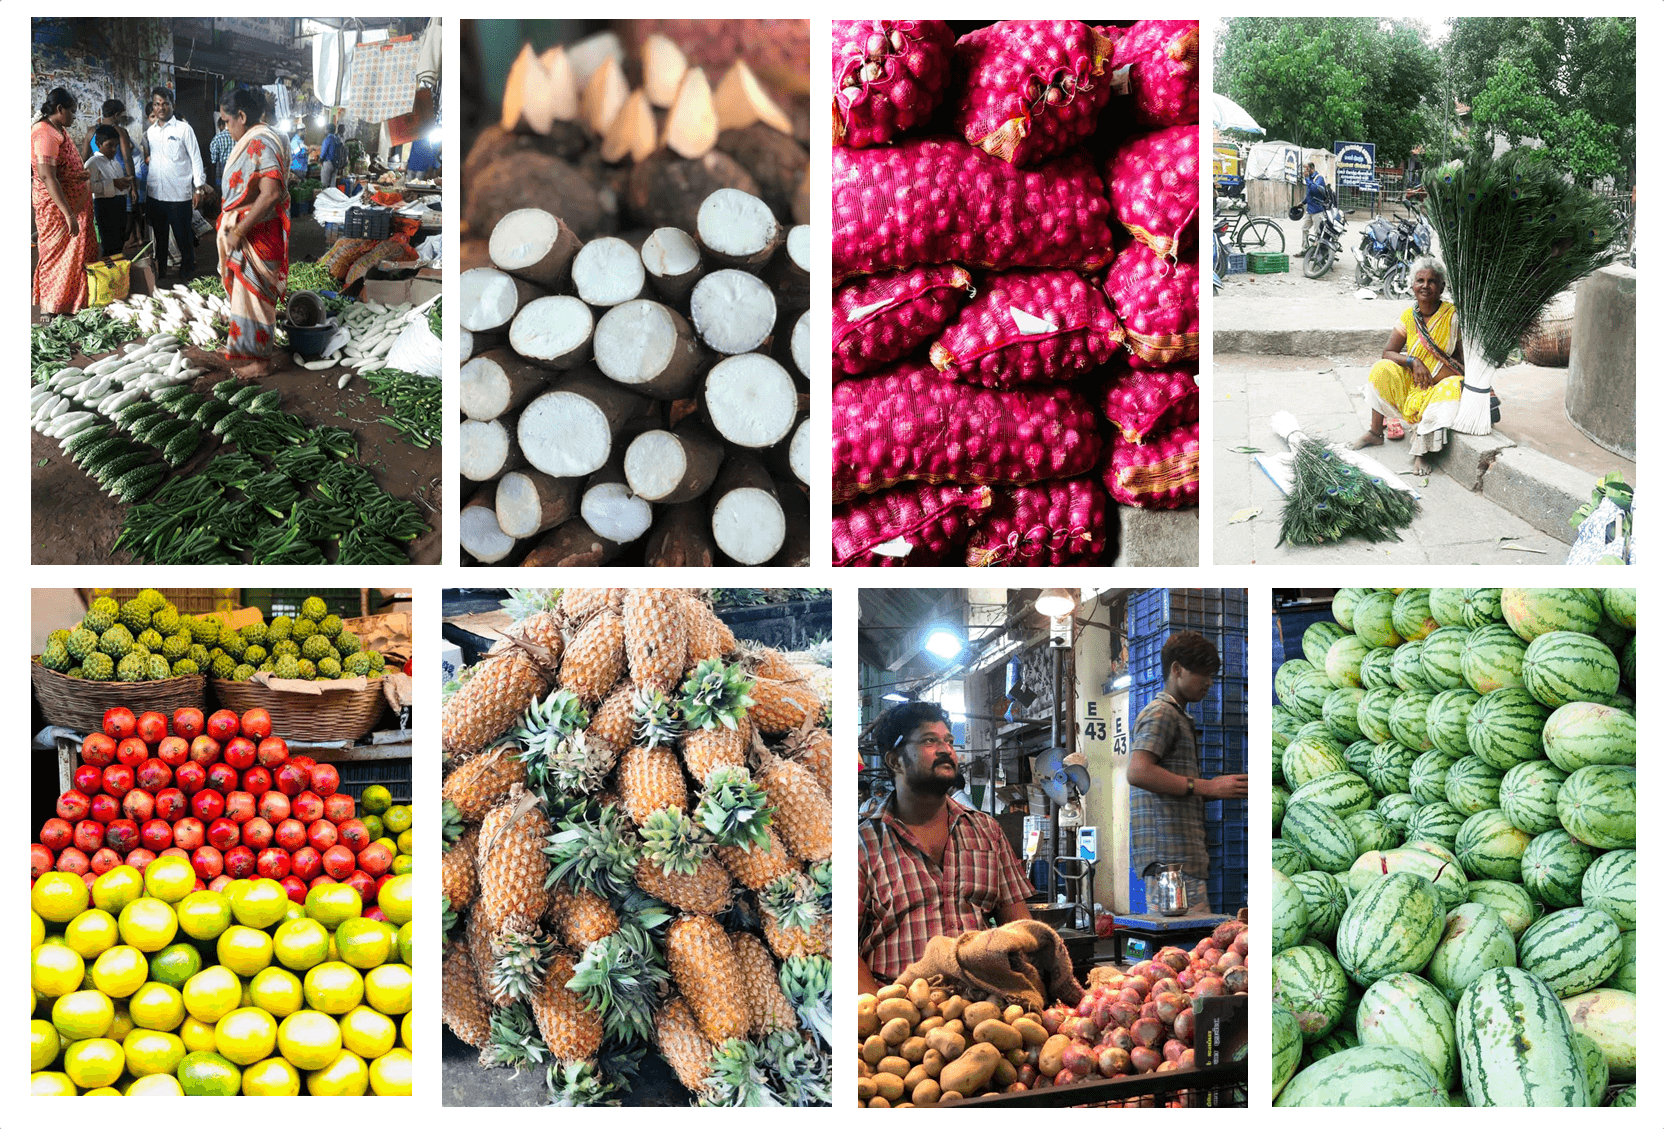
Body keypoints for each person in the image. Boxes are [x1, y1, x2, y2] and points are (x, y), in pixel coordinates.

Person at [858, 701, 1034, 994]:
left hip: (983, 1004)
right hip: (899, 1005)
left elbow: (1019, 926)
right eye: (929, 741)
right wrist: (872, 1010)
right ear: (895, 761)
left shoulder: (986, 831)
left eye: (949, 741)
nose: (946, 750)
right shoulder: (863, 844)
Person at [1125, 632, 1249, 917]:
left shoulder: (1177, 716)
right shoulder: (1162, 713)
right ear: (1177, 669)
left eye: (1211, 675)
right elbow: (1139, 771)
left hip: (1179, 859)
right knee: (1184, 940)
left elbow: (1171, 785)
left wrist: (1217, 789)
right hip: (1170, 863)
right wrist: (1208, 787)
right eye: (1202, 674)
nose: (1208, 683)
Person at [1352, 256, 1466, 475]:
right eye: (1420, 280)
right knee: (1381, 368)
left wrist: (1441, 375)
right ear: (1412, 285)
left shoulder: (1453, 317)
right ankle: (1375, 432)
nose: (1425, 286)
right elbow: (1388, 352)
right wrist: (1413, 361)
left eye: (1432, 281)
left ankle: (1422, 452)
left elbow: (1463, 360)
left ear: (1442, 287)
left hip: (1439, 386)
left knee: (1453, 386)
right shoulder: (1409, 316)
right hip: (1415, 382)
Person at [216, 88, 290, 378]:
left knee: (257, 299)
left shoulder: (261, 142)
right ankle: (253, 354)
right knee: (248, 296)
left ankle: (261, 363)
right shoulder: (260, 138)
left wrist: (239, 229)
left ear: (242, 116)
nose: (226, 127)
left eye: (227, 121)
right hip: (254, 232)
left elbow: (270, 194)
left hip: (258, 235)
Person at [32, 88, 97, 318]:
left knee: (74, 256)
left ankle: (72, 301)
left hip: (73, 203)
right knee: (54, 255)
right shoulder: (44, 133)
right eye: (72, 111)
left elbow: (61, 169)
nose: (74, 117)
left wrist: (77, 176)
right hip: (57, 209)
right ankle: (49, 308)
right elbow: (47, 175)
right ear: (59, 109)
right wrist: (69, 215)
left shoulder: (57, 129)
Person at [144, 87, 206, 280]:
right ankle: (161, 269)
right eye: (157, 104)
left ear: (173, 105)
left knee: (183, 235)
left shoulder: (184, 129)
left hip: (179, 194)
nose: (161, 108)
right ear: (153, 106)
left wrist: (198, 188)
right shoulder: (151, 132)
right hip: (156, 194)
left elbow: (196, 158)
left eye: (165, 104)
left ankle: (187, 269)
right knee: (160, 236)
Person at [87, 125, 134, 256]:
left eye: (116, 146)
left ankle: (118, 266)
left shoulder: (115, 163)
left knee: (119, 241)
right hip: (105, 206)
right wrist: (113, 183)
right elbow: (89, 187)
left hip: (119, 204)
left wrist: (125, 183)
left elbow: (118, 184)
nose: (114, 149)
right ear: (98, 144)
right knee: (108, 243)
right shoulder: (93, 163)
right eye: (109, 145)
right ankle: (109, 267)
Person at [1294, 161, 1329, 256]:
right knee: (1304, 229)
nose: (1304, 171)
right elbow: (1309, 194)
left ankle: (1318, 253)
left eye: (1306, 169)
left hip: (1318, 210)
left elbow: (1314, 190)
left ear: (1312, 169)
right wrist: (1303, 202)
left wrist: (1306, 179)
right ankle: (1305, 250)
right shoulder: (1309, 179)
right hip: (1309, 210)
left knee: (1318, 232)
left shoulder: (1319, 178)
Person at [208, 112, 235, 192]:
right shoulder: (236, 136)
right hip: (235, 166)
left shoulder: (217, 138)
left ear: (221, 126)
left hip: (222, 169)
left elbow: (214, 159)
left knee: (222, 192)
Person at [319, 122, 346, 190]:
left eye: (325, 129)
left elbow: (324, 151)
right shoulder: (338, 139)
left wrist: (320, 159)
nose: (324, 131)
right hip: (336, 164)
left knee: (324, 184)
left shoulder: (328, 139)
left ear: (328, 130)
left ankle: (324, 196)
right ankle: (332, 196)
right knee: (332, 184)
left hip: (328, 163)